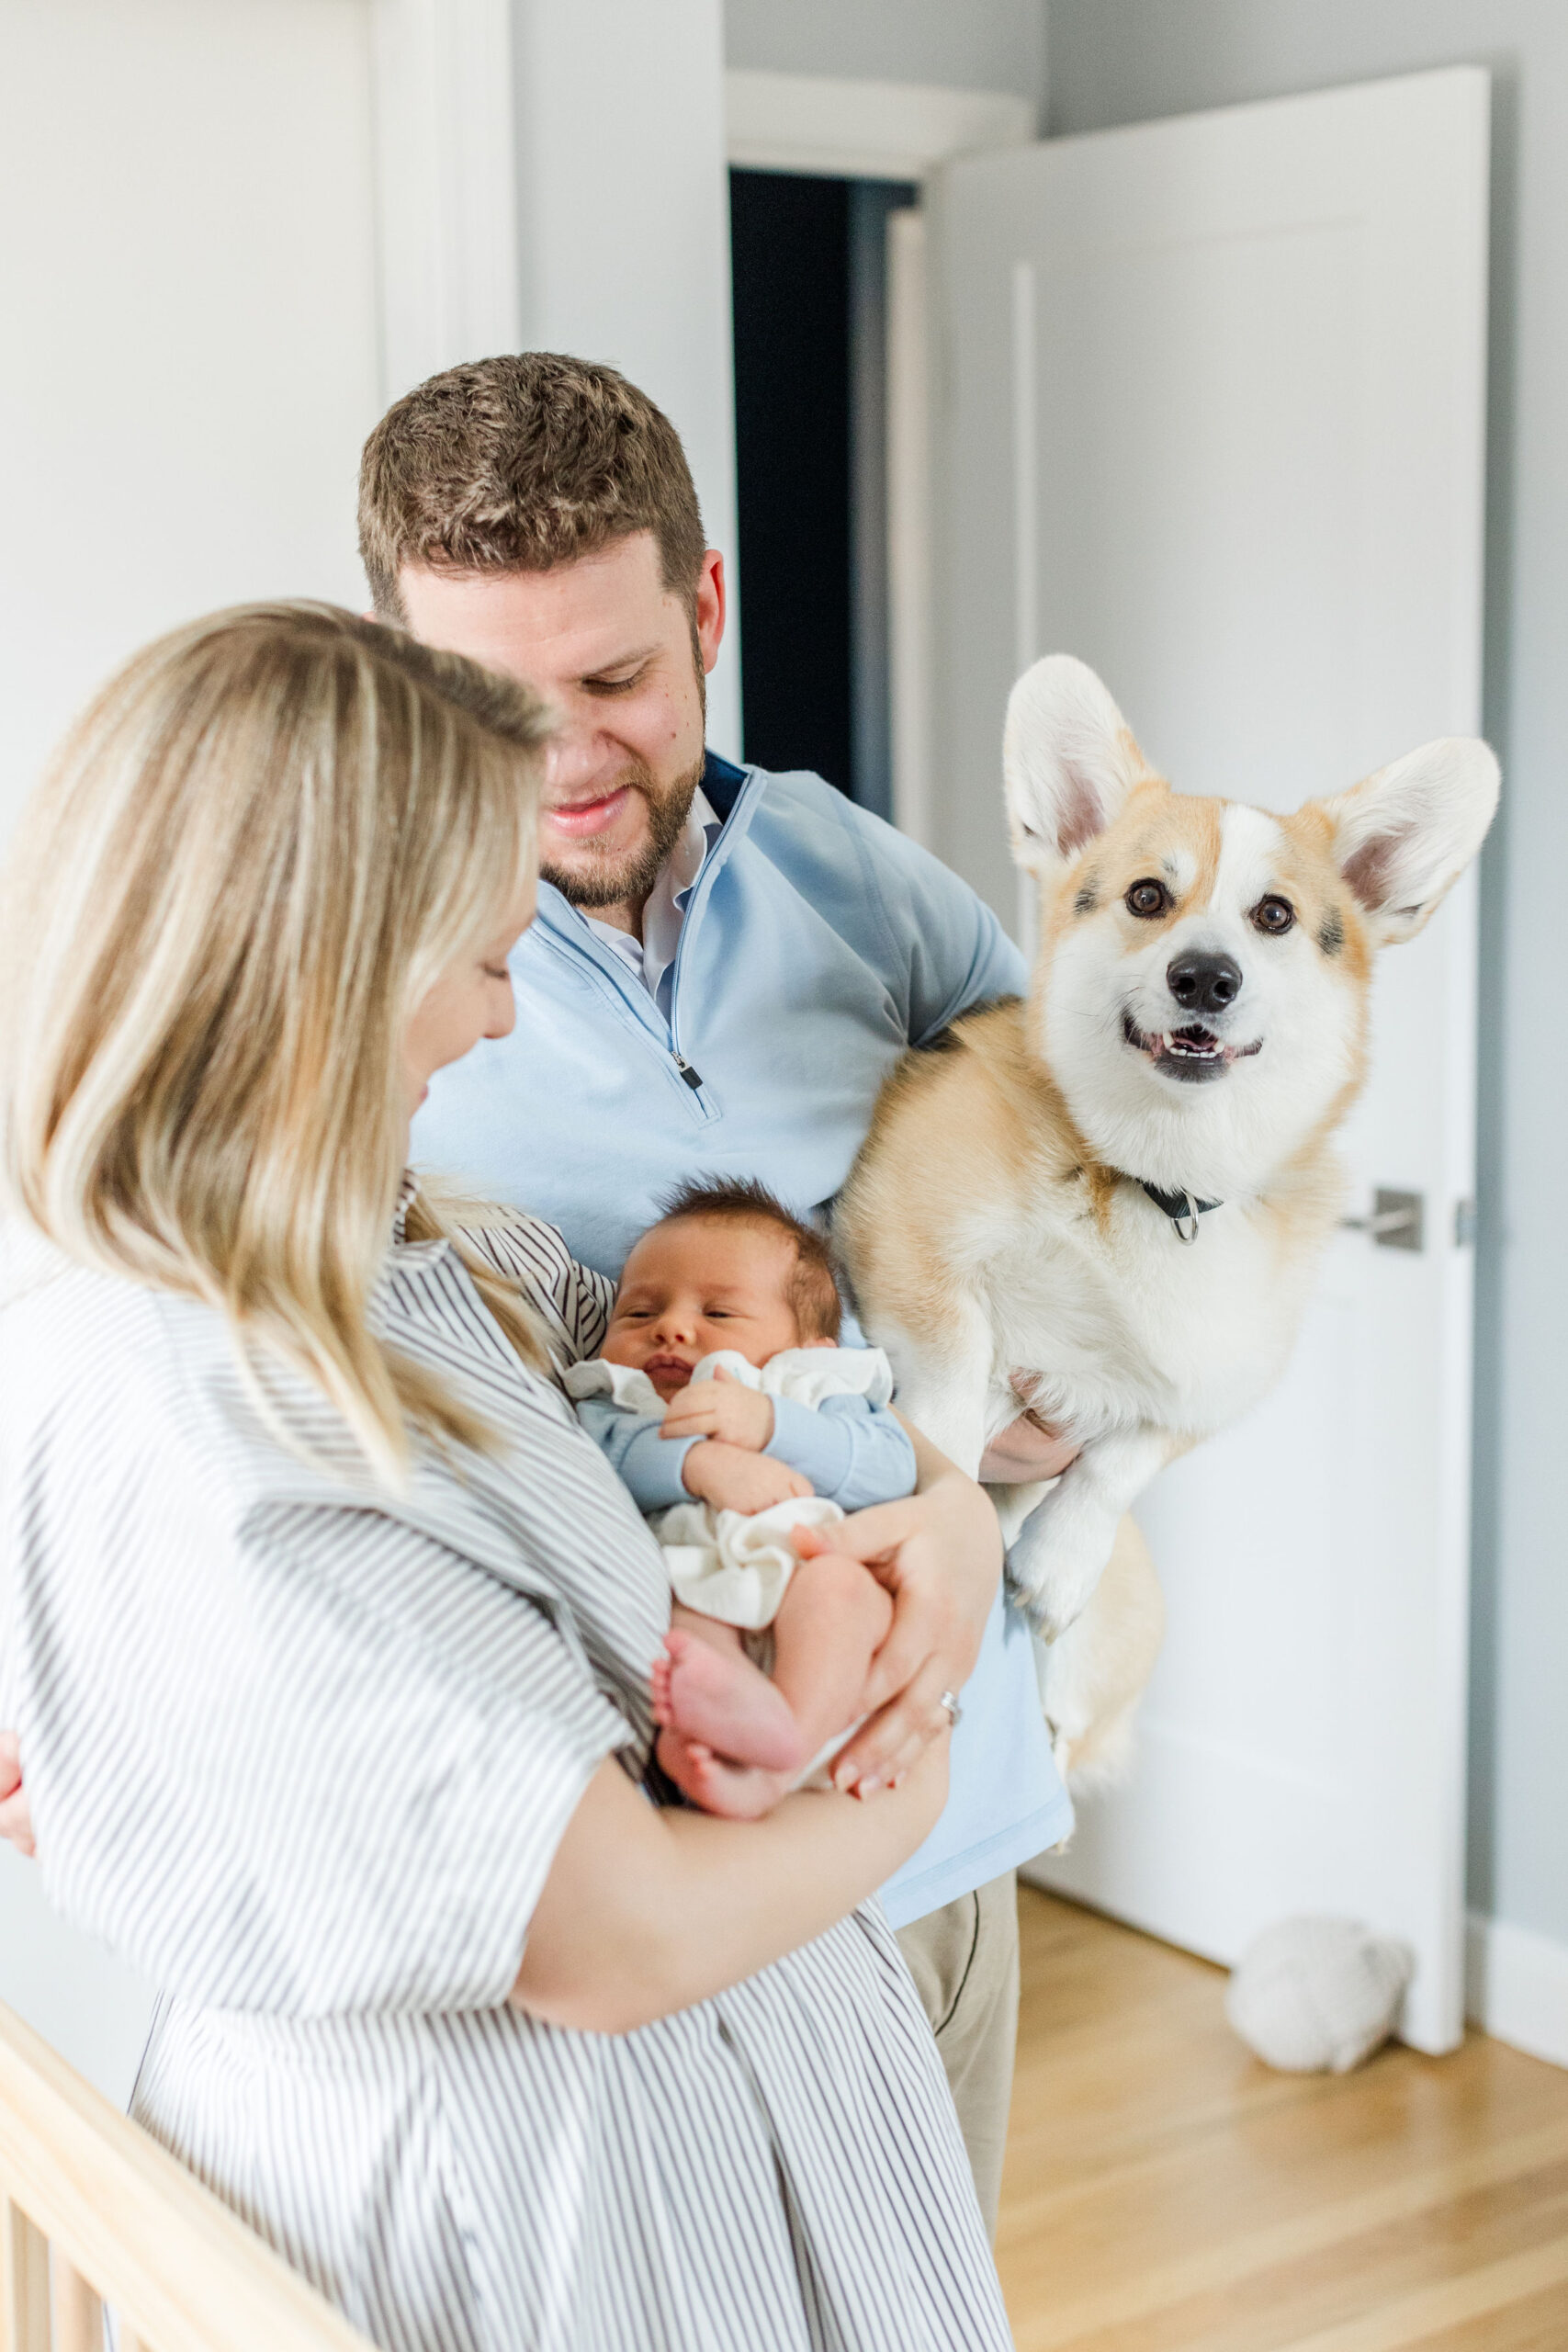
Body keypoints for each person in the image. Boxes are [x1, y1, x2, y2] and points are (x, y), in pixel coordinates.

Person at [0, 349, 1075, 2228]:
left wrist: (966, 1506)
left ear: (706, 608)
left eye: (616, 678)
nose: (573, 760)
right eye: (507, 701)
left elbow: (1059, 1171)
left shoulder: (852, 886)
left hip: (924, 1809)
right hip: (640, 1951)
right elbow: (591, 1920)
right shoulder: (243, 1278)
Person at [570, 1177, 918, 1817]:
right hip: (691, 1576)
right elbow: (599, 1456)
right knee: (685, 1634)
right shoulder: (620, 1395)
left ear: (810, 1344)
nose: (670, 1328)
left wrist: (770, 1424)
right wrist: (698, 1462)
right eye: (639, 1313)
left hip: (810, 1571)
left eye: (718, 1313)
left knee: (840, 1593)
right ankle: (722, 1725)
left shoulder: (818, 1383)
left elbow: (891, 1469)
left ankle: (784, 1748)